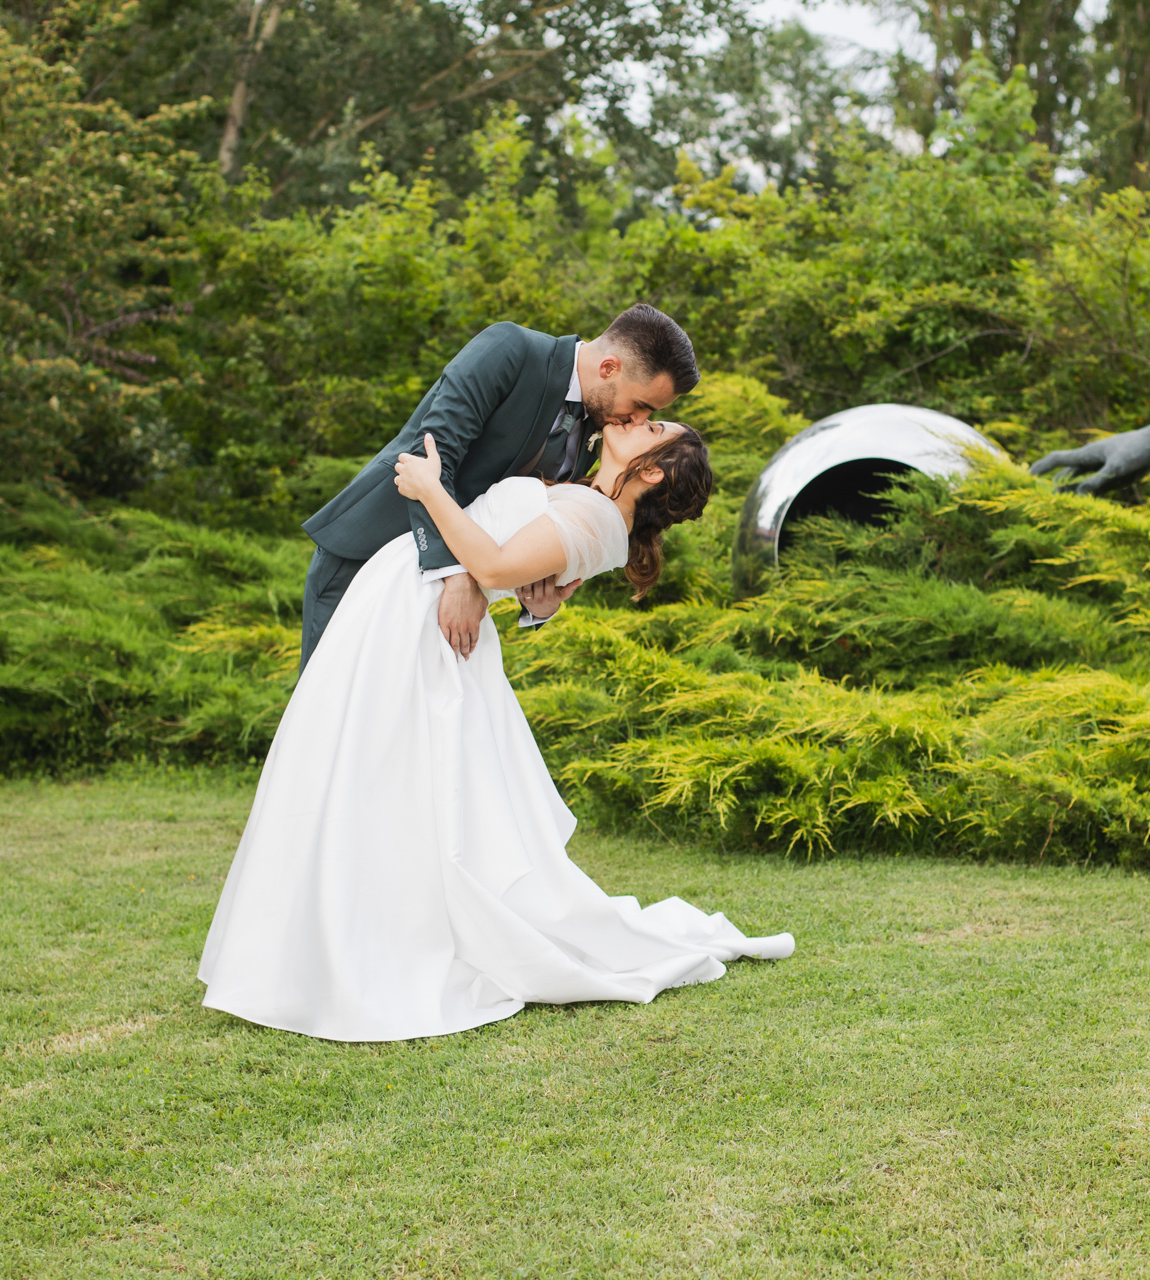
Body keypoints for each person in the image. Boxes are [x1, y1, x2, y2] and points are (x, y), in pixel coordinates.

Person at [197, 414, 795, 1042]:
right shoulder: (589, 498)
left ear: (650, 470)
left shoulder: (599, 521)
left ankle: (346, 953)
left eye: (653, 428)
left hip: (421, 623)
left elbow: (493, 564)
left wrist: (430, 487)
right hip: (406, 607)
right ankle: (319, 945)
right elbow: (518, 570)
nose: (637, 419)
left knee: (371, 779)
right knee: (365, 778)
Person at [298, 304, 697, 668]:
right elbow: (431, 454)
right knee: (329, 716)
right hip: (371, 552)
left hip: (444, 612)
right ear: (609, 369)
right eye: (643, 405)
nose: (637, 419)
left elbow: (529, 531)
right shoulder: (512, 349)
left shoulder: (605, 433)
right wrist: (455, 576)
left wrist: (541, 602)